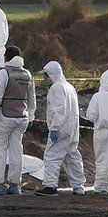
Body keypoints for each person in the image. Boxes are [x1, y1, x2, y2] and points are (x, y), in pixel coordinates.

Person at [0, 48, 36, 196]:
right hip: (22, 118)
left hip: (5, 117)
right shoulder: (27, 74)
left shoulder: (4, 73)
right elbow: (32, 98)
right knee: (16, 150)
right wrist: (31, 116)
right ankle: (15, 184)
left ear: (7, 57)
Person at [36, 61, 86, 196]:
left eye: (45, 76)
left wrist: (54, 128)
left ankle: (50, 186)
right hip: (72, 127)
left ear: (51, 75)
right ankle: (79, 186)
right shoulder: (69, 86)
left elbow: (59, 110)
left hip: (61, 128)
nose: (44, 79)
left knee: (52, 155)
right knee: (72, 156)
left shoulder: (56, 88)